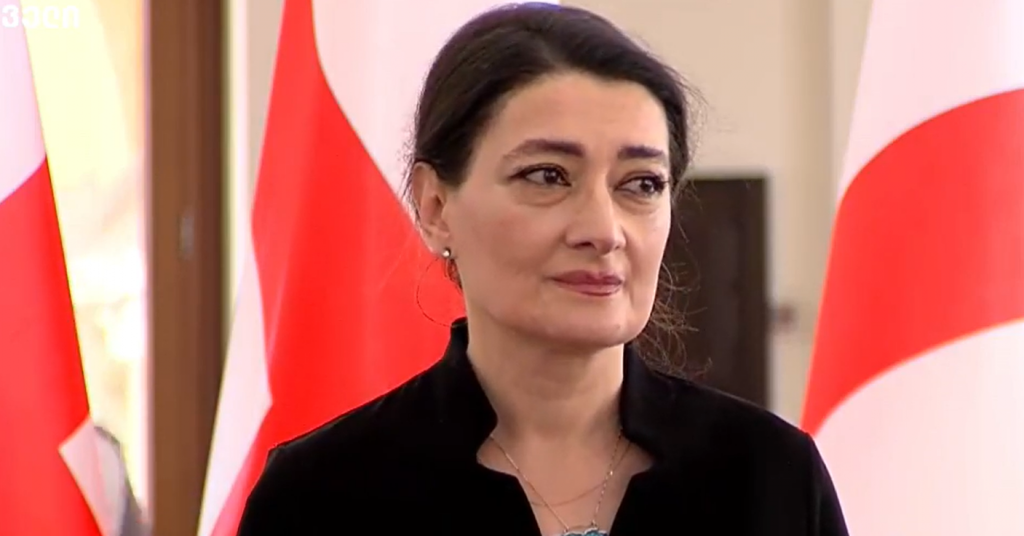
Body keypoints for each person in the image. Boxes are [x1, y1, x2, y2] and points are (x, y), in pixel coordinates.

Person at [236, 3, 848, 535]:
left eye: (641, 184)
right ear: (435, 207)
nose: (603, 230)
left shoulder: (769, 477)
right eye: (548, 176)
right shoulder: (323, 494)